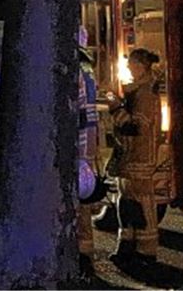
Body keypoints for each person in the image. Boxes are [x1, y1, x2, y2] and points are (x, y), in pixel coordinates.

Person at [106, 48, 162, 268]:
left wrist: (115, 108)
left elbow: (134, 127)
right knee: (126, 203)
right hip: (129, 159)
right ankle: (127, 246)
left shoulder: (145, 95)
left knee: (141, 204)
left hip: (139, 159)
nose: (129, 68)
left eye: (131, 64)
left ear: (141, 66)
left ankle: (146, 252)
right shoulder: (138, 91)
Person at [76, 32, 101, 278]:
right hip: (88, 144)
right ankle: (85, 258)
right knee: (83, 203)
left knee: (76, 206)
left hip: (77, 145)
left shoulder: (74, 67)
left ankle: (81, 261)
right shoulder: (88, 69)